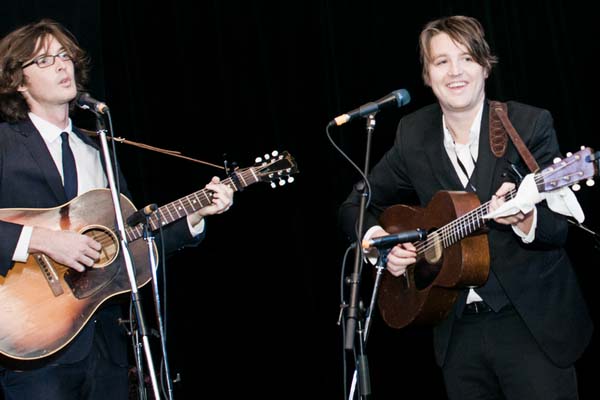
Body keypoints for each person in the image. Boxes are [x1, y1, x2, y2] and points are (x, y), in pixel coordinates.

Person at [338, 15, 593, 400]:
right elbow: (355, 203)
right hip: (455, 331)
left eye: (467, 58)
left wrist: (527, 219)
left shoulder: (528, 124)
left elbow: (560, 227)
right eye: (441, 62)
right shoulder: (413, 134)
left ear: (485, 66)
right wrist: (382, 244)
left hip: (532, 326)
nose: (455, 72)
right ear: (427, 75)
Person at [0, 18, 234, 399]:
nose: (62, 66)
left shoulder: (97, 151)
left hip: (104, 345)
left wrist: (195, 214)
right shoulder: (5, 145)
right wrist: (41, 240)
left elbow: (129, 237)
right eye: (44, 61)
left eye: (65, 56)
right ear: (18, 80)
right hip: (32, 341)